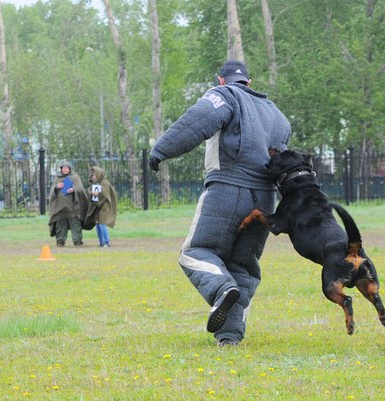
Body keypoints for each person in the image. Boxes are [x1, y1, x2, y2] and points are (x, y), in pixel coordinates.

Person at [148, 60, 291, 346]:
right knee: (243, 267)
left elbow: (197, 121)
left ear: (221, 80)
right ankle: (229, 335)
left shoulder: (225, 95)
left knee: (196, 252)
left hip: (226, 189)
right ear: (249, 82)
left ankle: (221, 288)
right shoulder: (278, 115)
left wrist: (161, 150)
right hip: (265, 199)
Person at [48, 161, 88, 247]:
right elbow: (52, 192)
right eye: (63, 168)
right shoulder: (57, 178)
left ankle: (77, 241)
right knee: (60, 224)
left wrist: (73, 189)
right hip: (60, 206)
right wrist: (57, 187)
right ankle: (60, 241)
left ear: (69, 169)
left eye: (66, 168)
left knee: (75, 223)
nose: (65, 170)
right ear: (61, 169)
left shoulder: (75, 177)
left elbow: (80, 189)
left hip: (72, 206)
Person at [86, 166, 118, 248]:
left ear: (99, 174)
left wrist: (95, 193)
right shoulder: (96, 183)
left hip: (104, 207)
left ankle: (106, 242)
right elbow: (90, 192)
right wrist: (91, 193)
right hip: (97, 206)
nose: (93, 177)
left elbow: (104, 194)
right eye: (92, 176)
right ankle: (101, 242)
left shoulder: (104, 182)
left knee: (102, 224)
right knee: (98, 224)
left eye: (95, 175)